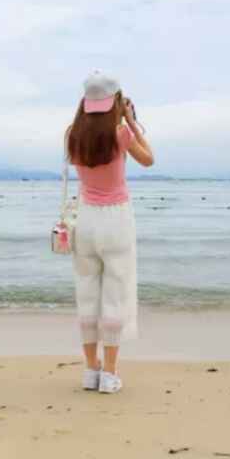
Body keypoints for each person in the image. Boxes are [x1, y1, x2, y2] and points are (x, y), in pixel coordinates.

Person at [64, 70, 154, 393]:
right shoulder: (120, 134)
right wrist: (130, 121)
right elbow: (149, 159)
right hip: (116, 220)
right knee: (115, 293)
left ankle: (91, 371)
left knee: (87, 292)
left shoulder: (72, 134)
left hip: (85, 219)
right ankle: (110, 374)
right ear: (115, 100)